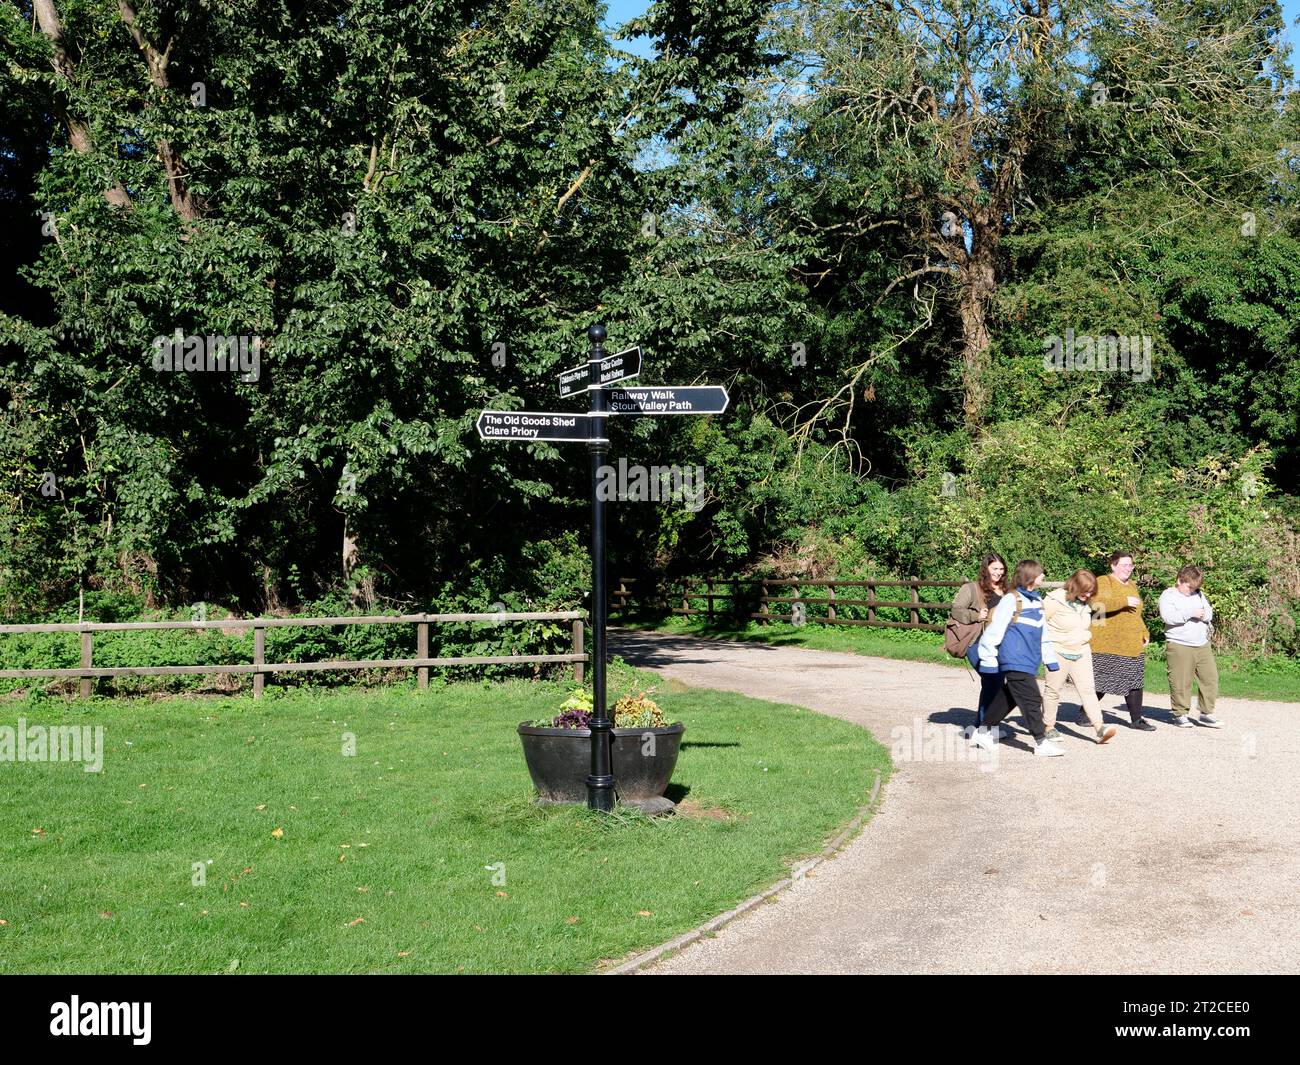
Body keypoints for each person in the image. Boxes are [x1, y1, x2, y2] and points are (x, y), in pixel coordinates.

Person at [969, 560, 1065, 758]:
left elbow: (1043, 633)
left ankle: (983, 732)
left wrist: (1050, 659)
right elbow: (995, 630)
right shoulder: (1011, 599)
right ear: (1030, 575)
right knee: (1032, 699)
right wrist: (988, 659)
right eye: (1040, 573)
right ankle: (1040, 742)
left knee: (1010, 696)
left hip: (1029, 659)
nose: (1043, 576)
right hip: (1013, 657)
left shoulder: (1037, 600)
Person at [1042, 570, 1118, 744]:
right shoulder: (1054, 600)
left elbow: (1097, 621)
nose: (1088, 595)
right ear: (1075, 586)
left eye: (1091, 591)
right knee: (1053, 690)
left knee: (1088, 690)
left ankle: (1099, 728)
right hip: (1057, 649)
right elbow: (1040, 624)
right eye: (1085, 591)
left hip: (1081, 650)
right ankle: (1048, 727)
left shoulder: (1089, 602)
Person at [1090, 550, 1154, 731]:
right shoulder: (1104, 581)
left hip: (1132, 644)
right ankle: (1085, 713)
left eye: (1131, 565)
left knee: (1134, 681)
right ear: (1113, 565)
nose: (1128, 569)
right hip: (1108, 644)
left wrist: (1144, 631)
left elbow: (1136, 614)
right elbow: (1097, 605)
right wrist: (1123, 601)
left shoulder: (1132, 585)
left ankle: (1136, 720)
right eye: (1124, 565)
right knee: (1103, 682)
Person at [950, 553, 1009, 728]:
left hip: (1000, 646)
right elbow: (956, 610)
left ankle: (981, 726)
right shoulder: (972, 588)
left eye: (1001, 569)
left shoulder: (1007, 591)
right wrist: (976, 615)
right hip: (977, 644)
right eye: (994, 569)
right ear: (986, 569)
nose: (998, 573)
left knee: (991, 683)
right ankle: (985, 727)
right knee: (994, 679)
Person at [1159, 565, 1221, 728]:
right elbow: (1168, 617)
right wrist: (1190, 613)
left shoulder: (1199, 594)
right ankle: (1180, 714)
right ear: (1179, 580)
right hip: (1180, 644)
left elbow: (1208, 613)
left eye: (1195, 588)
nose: (1192, 590)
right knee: (1181, 681)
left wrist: (1202, 614)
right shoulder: (1168, 595)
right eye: (1190, 587)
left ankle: (1206, 713)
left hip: (1202, 644)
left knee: (1210, 678)